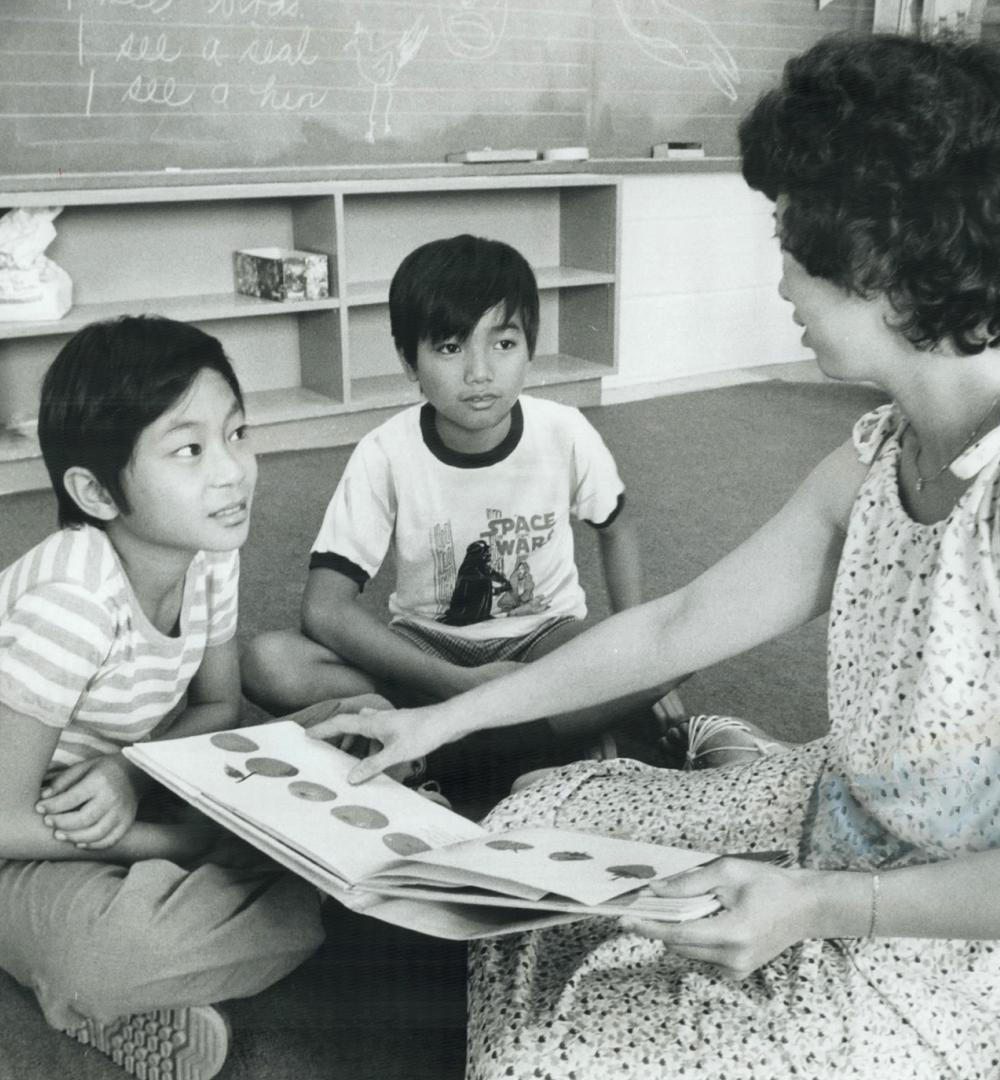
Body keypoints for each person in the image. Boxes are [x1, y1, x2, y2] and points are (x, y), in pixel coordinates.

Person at [311, 33, 1000, 1080]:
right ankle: (739, 769)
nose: (779, 268)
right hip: (850, 810)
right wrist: (443, 715)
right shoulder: (887, 446)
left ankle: (736, 806)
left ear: (878, 254)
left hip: (959, 935)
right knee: (537, 816)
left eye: (791, 233)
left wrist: (819, 906)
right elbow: (677, 623)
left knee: (539, 1060)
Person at [0, 316, 330, 1080]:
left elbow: (218, 708)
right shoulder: (70, 604)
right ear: (97, 491)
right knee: (105, 962)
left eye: (237, 432)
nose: (233, 471)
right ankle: (305, 894)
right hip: (17, 843)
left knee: (350, 731)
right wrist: (169, 842)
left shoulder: (206, 546)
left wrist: (130, 772)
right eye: (189, 450)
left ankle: (262, 889)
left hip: (137, 763)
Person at [243, 234, 684, 801]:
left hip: (543, 642)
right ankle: (535, 738)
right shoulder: (385, 452)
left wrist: (634, 640)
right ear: (409, 361)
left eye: (503, 343)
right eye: (450, 348)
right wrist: (461, 682)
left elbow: (616, 528)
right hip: (429, 652)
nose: (480, 372)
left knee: (676, 645)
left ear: (530, 347)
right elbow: (324, 610)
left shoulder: (566, 431)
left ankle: (438, 743)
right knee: (268, 660)